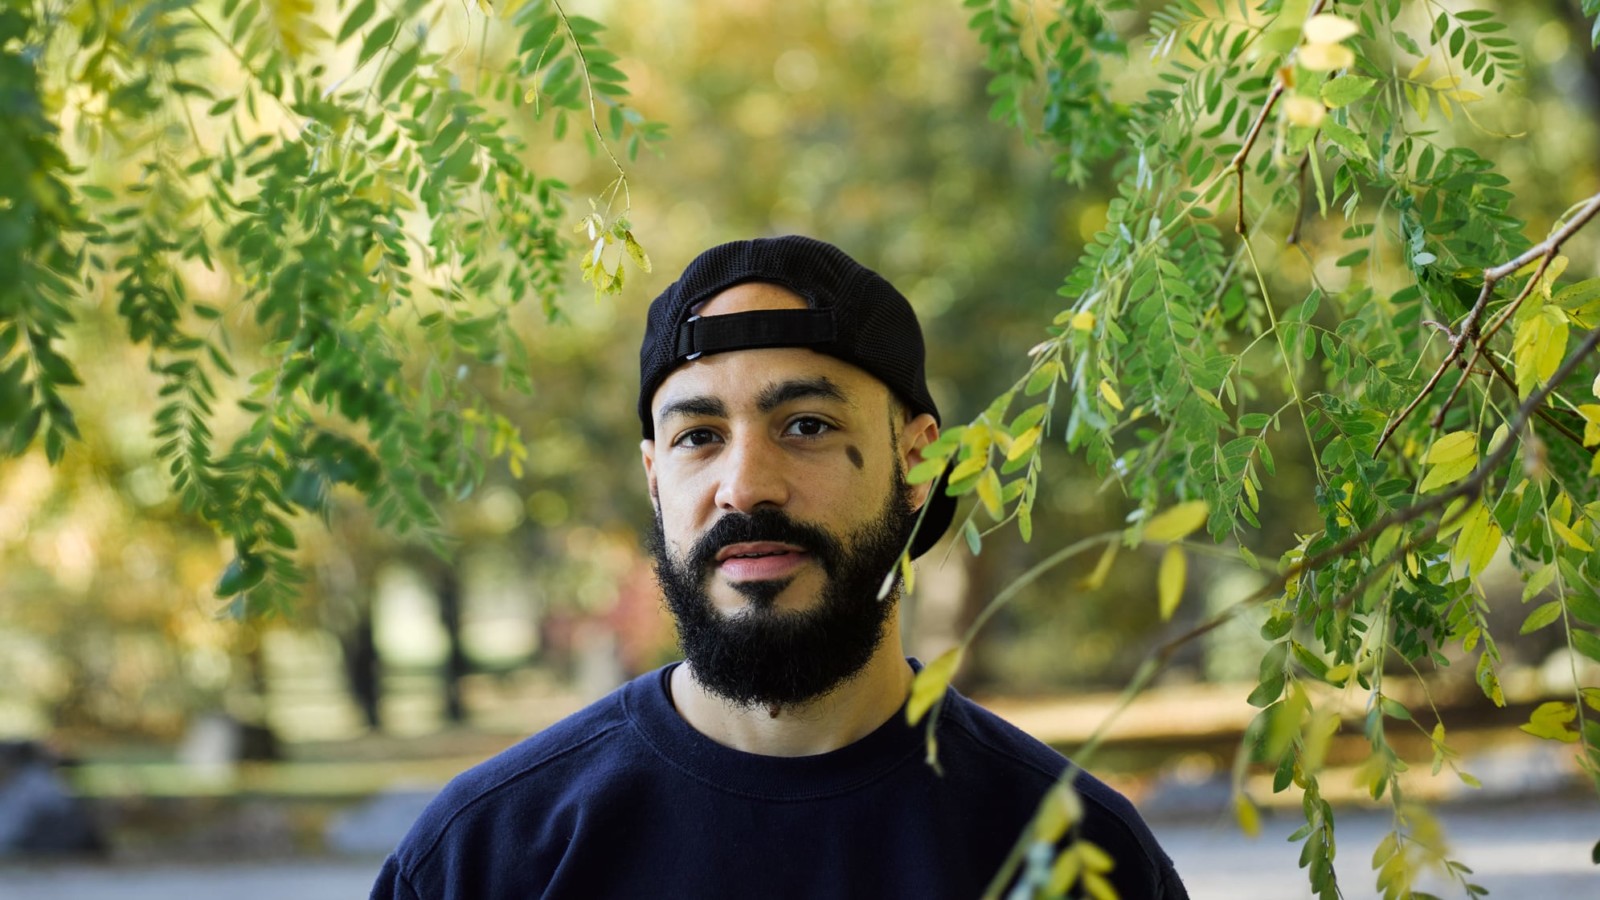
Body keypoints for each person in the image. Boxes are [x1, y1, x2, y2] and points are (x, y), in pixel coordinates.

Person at [370, 236, 1187, 899]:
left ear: (916, 463)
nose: (746, 486)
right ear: (656, 479)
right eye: (699, 436)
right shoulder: (484, 858)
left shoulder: (1076, 855)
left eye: (805, 425)